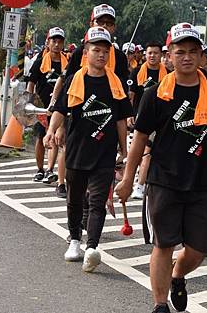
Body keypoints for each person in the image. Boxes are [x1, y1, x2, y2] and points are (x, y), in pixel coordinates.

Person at [115, 23, 207, 313]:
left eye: (193, 52)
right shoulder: (155, 94)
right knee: (163, 243)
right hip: (164, 181)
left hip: (203, 182)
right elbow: (140, 138)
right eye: (179, 51)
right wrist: (128, 178)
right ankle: (160, 304)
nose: (186, 57)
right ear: (169, 55)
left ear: (202, 57)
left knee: (199, 247)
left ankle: (177, 275)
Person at [45, 26, 132, 272]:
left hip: (104, 153)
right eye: (96, 50)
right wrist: (52, 130)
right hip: (76, 150)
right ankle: (74, 240)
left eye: (106, 51)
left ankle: (92, 247)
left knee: (97, 201)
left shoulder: (115, 84)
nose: (102, 55)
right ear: (86, 52)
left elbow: (121, 121)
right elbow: (61, 110)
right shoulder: (75, 80)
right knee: (74, 199)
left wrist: (124, 150)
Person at [26, 27, 68, 197]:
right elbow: (31, 82)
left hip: (60, 108)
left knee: (56, 139)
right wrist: (30, 100)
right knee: (40, 138)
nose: (57, 44)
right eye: (54, 41)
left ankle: (50, 169)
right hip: (41, 106)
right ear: (48, 42)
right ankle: (40, 169)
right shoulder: (40, 61)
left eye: (60, 41)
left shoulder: (67, 62)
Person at [127, 42, 168, 199]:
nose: (152, 56)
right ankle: (132, 179)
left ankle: (140, 184)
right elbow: (131, 96)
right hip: (139, 118)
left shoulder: (168, 74)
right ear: (145, 55)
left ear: (161, 55)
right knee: (135, 152)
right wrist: (130, 114)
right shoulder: (137, 72)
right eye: (149, 53)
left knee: (147, 153)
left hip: (158, 121)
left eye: (156, 53)